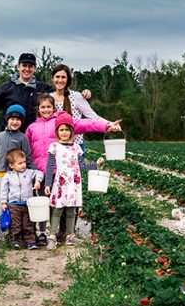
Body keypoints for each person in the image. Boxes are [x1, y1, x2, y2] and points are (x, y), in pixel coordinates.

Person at [26, 94, 122, 245]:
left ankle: (63, 233)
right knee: (45, 205)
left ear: (53, 108)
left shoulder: (60, 123)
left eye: (49, 107)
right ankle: (44, 233)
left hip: (60, 173)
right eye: (42, 107)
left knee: (63, 206)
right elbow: (27, 149)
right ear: (38, 109)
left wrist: (106, 126)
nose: (46, 110)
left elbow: (86, 124)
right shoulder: (32, 127)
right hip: (40, 172)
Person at [0, 53, 92, 133]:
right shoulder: (6, 87)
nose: (27, 69)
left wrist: (83, 93)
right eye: (24, 66)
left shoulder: (43, 88)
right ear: (18, 67)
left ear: (35, 69)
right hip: (9, 134)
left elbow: (62, 92)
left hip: (33, 136)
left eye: (30, 66)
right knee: (8, 175)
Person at [43, 112, 104, 249]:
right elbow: (50, 167)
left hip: (73, 183)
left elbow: (81, 166)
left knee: (71, 210)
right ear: (57, 132)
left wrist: (96, 164)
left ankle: (70, 235)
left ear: (72, 132)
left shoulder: (77, 148)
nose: (64, 132)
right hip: (60, 183)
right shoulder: (54, 147)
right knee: (57, 210)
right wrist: (47, 184)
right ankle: (52, 236)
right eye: (61, 130)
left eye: (67, 130)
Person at [50, 64, 110, 152]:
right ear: (52, 78)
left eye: (63, 77)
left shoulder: (77, 97)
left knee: (80, 166)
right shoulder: (48, 98)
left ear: (68, 80)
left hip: (76, 145)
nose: (60, 80)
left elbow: (93, 116)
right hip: (55, 146)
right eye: (57, 77)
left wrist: (109, 124)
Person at [0, 149, 43, 250]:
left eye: (24, 162)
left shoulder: (29, 173)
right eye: (20, 163)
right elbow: (4, 190)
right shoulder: (8, 176)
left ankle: (30, 241)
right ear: (11, 165)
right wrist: (3, 202)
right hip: (13, 204)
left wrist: (37, 181)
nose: (23, 165)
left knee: (28, 223)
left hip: (27, 203)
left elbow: (39, 173)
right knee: (15, 224)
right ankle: (15, 240)